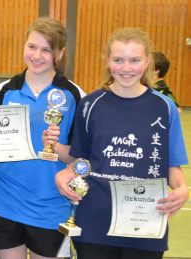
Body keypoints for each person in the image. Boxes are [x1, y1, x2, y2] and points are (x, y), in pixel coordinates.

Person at [55, 28, 188, 259]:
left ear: (147, 61)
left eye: (134, 60)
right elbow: (82, 160)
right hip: (96, 223)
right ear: (108, 60)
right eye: (118, 60)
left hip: (145, 224)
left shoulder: (165, 108)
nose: (126, 68)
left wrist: (182, 188)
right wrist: (65, 173)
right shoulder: (89, 104)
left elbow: (171, 164)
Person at [0, 17, 84, 259]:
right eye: (32, 46)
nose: (37, 55)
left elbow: (79, 158)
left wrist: (54, 145)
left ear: (60, 52)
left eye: (46, 49)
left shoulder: (74, 95)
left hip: (51, 207)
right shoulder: (2, 91)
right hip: (4, 203)